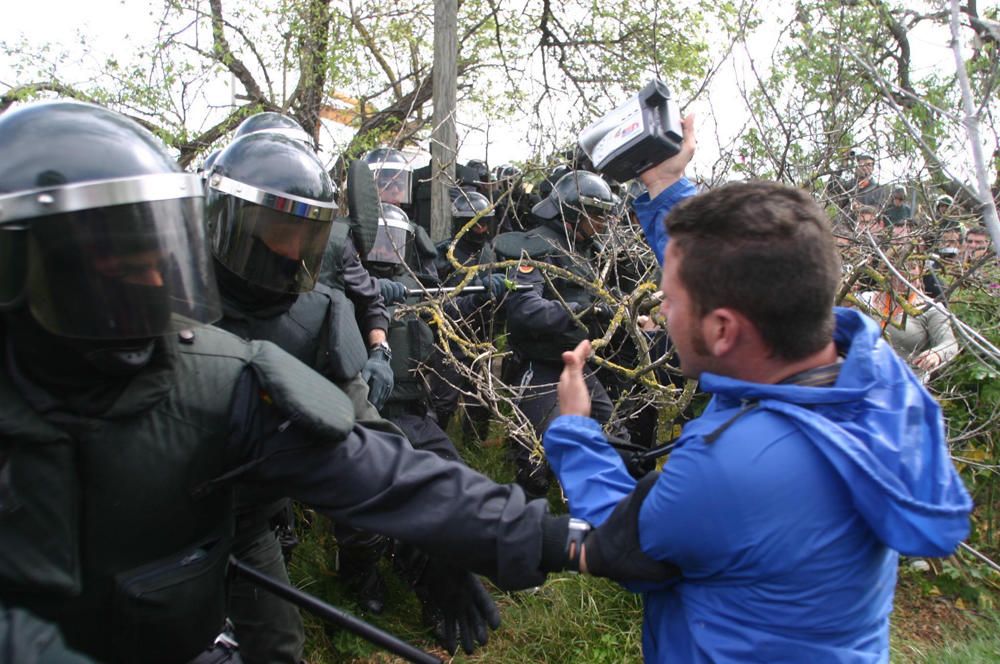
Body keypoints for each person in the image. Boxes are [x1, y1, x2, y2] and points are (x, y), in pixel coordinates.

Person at [0, 99, 656, 664]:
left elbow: (383, 475)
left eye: (155, 259)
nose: (150, 285)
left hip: (225, 549)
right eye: (116, 267)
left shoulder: (214, 378)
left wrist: (556, 539)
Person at [541, 118, 972, 662]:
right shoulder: (872, 373)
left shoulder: (732, 465)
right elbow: (728, 269)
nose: (661, 311)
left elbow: (620, 543)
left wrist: (576, 429)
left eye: (668, 302)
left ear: (723, 331)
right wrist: (666, 188)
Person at [495, 170, 628, 498]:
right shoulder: (536, 247)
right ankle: (529, 533)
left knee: (619, 441)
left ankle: (607, 524)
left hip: (579, 366)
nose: (602, 222)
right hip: (540, 366)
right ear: (573, 211)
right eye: (596, 214)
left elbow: (605, 295)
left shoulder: (585, 249)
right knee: (534, 463)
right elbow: (524, 308)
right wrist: (583, 310)